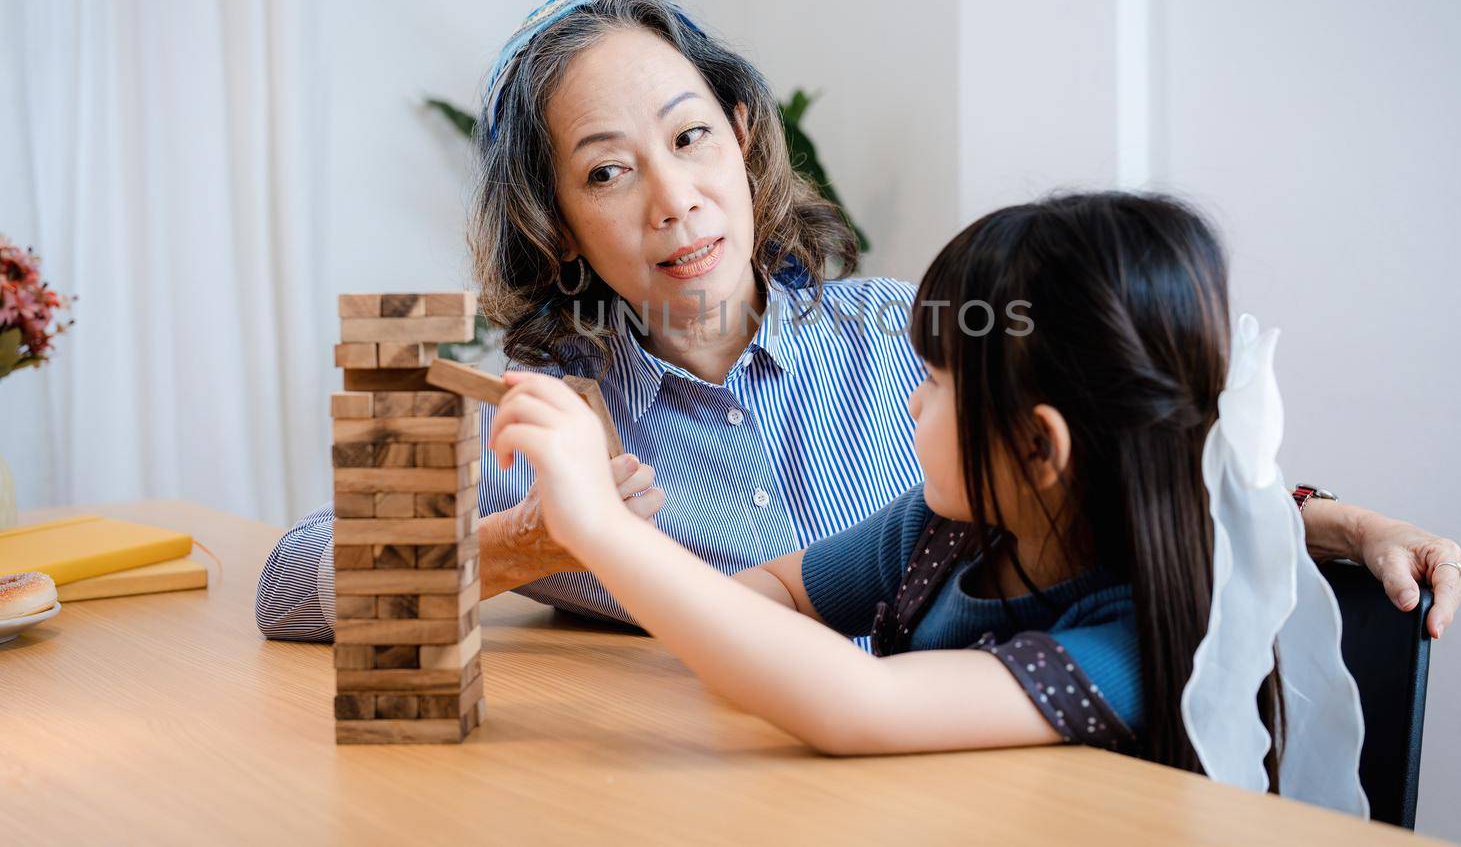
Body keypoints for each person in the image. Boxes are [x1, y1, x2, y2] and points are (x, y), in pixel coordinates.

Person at [255, 0, 1461, 645]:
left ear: (740, 137)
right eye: (609, 171)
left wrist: (1340, 522)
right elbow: (289, 585)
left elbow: (1129, 449)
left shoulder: (913, 331)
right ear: (555, 221)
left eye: (688, 138)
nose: (675, 200)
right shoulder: (534, 396)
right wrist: (532, 539)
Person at [485, 192, 1367, 796]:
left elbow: (857, 705)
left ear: (1037, 443)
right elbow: (772, 589)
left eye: (939, 380)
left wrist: (599, 527)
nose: (913, 394)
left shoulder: (1131, 647)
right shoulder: (946, 527)